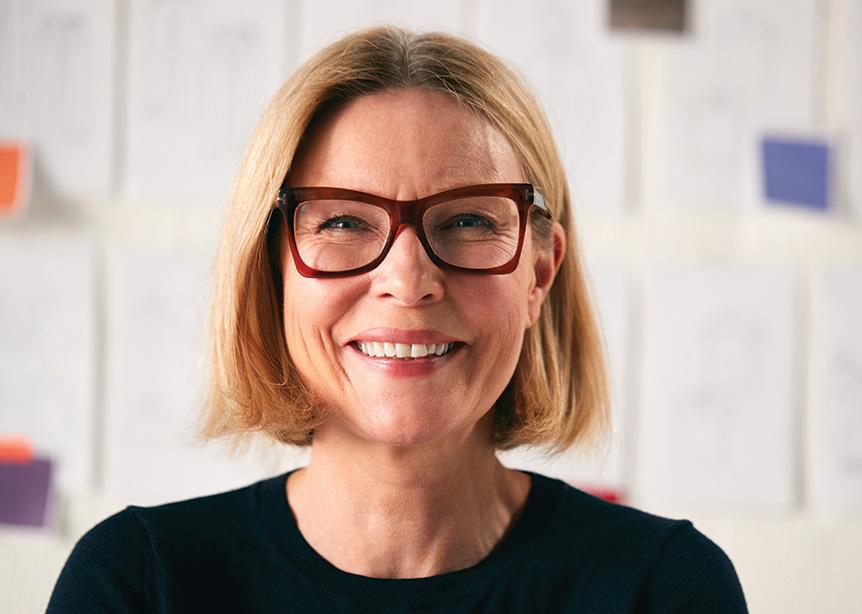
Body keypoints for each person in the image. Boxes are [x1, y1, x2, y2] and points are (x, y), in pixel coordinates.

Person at [47, 26, 747, 613]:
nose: (408, 282)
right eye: (345, 220)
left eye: (470, 220)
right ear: (271, 269)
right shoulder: (136, 583)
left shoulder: (664, 588)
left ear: (539, 273)